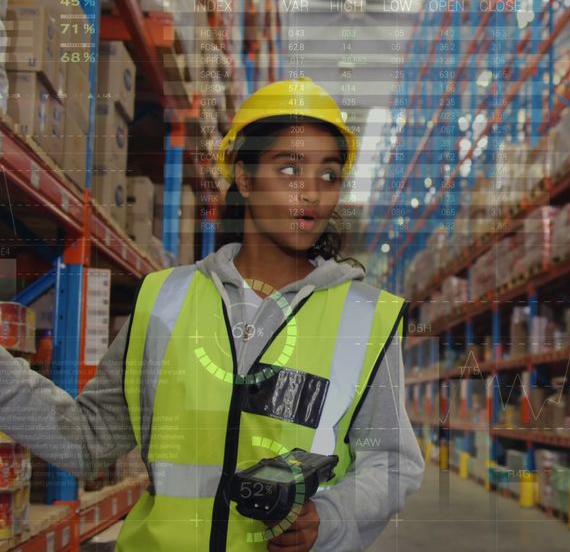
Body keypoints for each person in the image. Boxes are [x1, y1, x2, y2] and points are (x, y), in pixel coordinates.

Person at [0, 78, 424, 551]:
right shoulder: (164, 300)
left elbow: (392, 462)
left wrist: (330, 518)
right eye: (289, 168)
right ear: (244, 178)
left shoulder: (367, 318)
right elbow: (85, 440)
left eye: (329, 175)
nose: (311, 194)